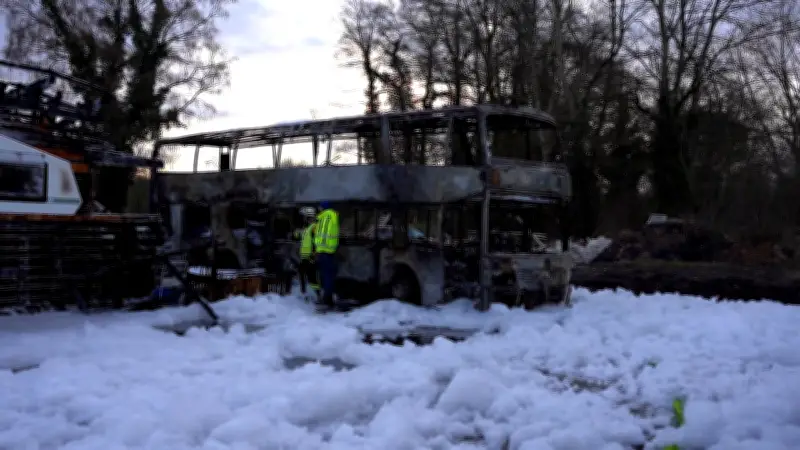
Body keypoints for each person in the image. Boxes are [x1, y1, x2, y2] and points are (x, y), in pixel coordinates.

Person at [314, 201, 339, 308]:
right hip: (329, 251)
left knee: (325, 275)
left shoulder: (323, 217)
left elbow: (322, 234)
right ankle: (328, 298)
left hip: (323, 251)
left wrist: (318, 248)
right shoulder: (332, 216)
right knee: (329, 275)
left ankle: (326, 298)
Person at [297, 207, 320, 299]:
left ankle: (317, 294)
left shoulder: (314, 227)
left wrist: (314, 255)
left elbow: (316, 242)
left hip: (310, 257)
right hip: (304, 257)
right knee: (303, 274)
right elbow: (301, 237)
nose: (303, 219)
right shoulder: (307, 228)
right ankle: (305, 293)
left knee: (312, 277)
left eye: (304, 217)